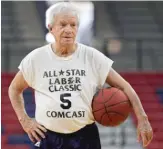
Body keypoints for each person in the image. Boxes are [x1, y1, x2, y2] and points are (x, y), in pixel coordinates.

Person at [8, 2, 153, 149]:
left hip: (85, 136)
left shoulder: (92, 57)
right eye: (63, 25)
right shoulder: (36, 58)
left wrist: (143, 118)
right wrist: (25, 121)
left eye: (73, 25)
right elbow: (14, 89)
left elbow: (124, 86)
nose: (69, 30)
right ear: (51, 28)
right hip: (49, 136)